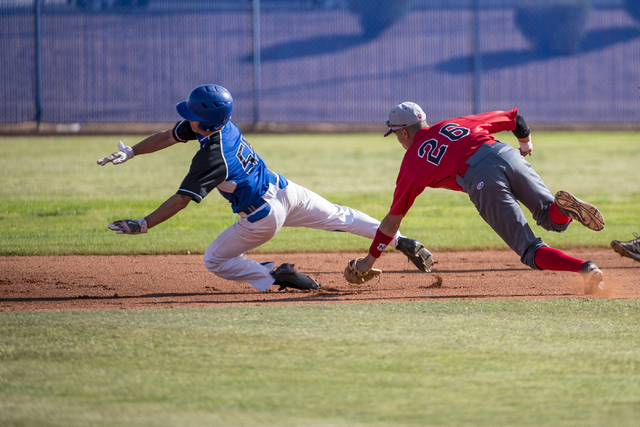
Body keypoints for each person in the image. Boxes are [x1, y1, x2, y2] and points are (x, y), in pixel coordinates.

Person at [97, 84, 432, 292]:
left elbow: (182, 200)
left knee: (215, 260)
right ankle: (403, 241)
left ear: (206, 120)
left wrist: (144, 225)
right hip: (287, 190)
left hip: (262, 216)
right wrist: (132, 151)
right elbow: (170, 135)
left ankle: (273, 275)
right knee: (341, 216)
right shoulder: (221, 125)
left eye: (194, 113)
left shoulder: (214, 157)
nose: (189, 118)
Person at [348, 102, 606, 294]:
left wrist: (368, 260)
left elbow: (392, 222)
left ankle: (587, 268)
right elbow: (515, 119)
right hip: (505, 153)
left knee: (529, 249)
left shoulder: (412, 162)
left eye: (395, 134)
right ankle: (563, 208)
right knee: (554, 220)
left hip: (479, 176)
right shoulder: (454, 124)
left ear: (403, 133)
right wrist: (525, 145)